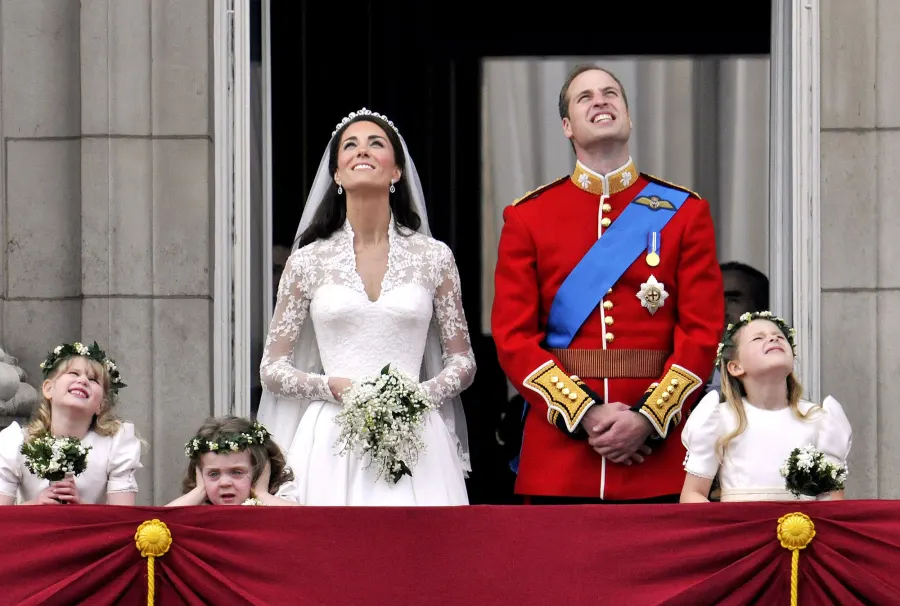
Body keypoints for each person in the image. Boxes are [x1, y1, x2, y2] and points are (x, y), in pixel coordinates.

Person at [492, 64, 723, 504]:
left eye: (610, 93)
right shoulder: (528, 216)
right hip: (561, 459)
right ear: (566, 126)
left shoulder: (684, 212)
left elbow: (701, 331)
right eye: (585, 97)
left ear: (629, 117)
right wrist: (584, 413)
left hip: (656, 456)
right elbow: (513, 337)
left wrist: (649, 419)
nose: (600, 100)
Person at [257, 108, 476, 506]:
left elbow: (462, 361)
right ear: (336, 175)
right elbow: (272, 369)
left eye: (376, 143)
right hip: (330, 436)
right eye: (350, 145)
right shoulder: (307, 261)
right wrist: (331, 387)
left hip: (416, 435)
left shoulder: (434, 257)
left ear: (396, 171)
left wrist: (418, 396)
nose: (363, 151)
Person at [680, 312, 852, 502]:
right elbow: (692, 494)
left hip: (802, 521)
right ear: (735, 367)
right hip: (740, 521)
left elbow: (831, 500)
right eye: (758, 338)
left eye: (779, 336)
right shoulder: (719, 419)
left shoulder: (820, 420)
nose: (773, 338)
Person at [0, 341, 142, 505]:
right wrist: (36, 504)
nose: (83, 380)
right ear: (48, 389)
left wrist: (80, 506)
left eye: (93, 380)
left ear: (101, 405)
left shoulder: (116, 443)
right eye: (74, 373)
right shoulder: (15, 441)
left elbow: (122, 515)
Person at [166, 416, 300, 506]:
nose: (224, 483)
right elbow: (156, 524)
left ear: (259, 473)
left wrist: (261, 494)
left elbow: (307, 520)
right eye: (213, 474)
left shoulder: (276, 501)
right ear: (200, 475)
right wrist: (199, 491)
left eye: (237, 472)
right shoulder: (198, 508)